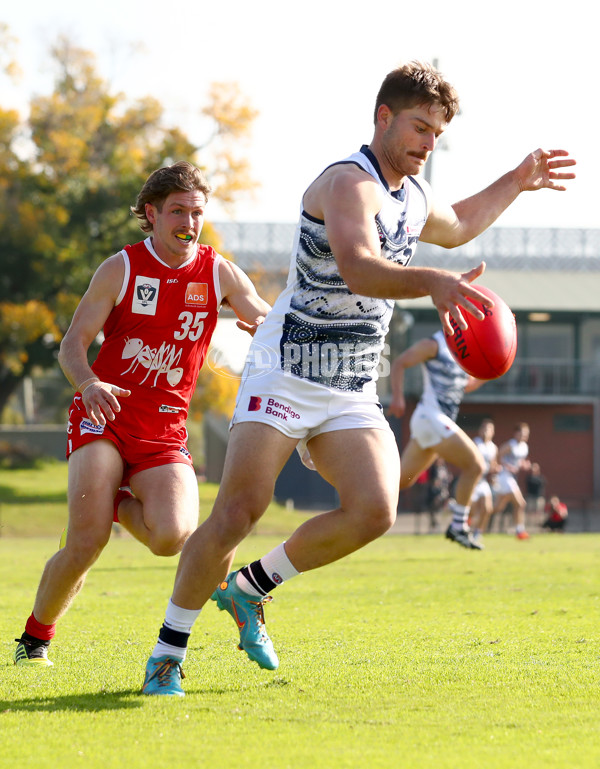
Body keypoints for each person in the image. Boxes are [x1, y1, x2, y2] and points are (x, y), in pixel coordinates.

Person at [140, 60, 575, 695]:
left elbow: (455, 227)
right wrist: (431, 282)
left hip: (348, 381)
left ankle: (249, 590)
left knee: (376, 509)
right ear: (383, 117)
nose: (427, 144)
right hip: (285, 368)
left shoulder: (414, 195)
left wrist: (517, 179)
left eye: (437, 134)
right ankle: (166, 654)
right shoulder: (349, 183)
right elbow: (359, 268)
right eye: (419, 127)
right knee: (238, 511)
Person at [13, 161, 270, 667]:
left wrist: (267, 329)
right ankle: (34, 641)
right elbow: (72, 346)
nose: (189, 223)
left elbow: (264, 314)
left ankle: (113, 501)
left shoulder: (217, 271)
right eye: (178, 211)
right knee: (86, 543)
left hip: (165, 432)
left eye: (196, 212)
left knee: (172, 537)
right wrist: (87, 384)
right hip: (103, 418)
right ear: (150, 214)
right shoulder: (121, 268)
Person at [388, 331, 486, 549]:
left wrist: (491, 372)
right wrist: (397, 396)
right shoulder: (434, 344)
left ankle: (358, 500)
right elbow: (399, 363)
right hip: (431, 418)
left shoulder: (464, 353)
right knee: (476, 466)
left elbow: (465, 385)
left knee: (401, 481)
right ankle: (458, 526)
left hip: (431, 424)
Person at [493, 422, 532, 539]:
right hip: (504, 476)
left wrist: (525, 465)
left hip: (511, 478)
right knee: (520, 503)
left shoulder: (524, 447)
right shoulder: (511, 445)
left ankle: (472, 516)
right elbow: (498, 456)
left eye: (526, 434)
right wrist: (506, 465)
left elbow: (519, 462)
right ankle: (520, 531)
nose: (524, 436)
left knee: (498, 507)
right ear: (516, 434)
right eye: (522, 434)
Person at [469, 418, 499, 545]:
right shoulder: (475, 443)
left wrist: (495, 470)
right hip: (472, 481)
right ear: (480, 430)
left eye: (489, 429)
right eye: (484, 428)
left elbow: (493, 463)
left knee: (487, 508)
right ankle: (465, 528)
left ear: (493, 432)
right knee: (471, 510)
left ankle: (477, 533)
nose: (486, 431)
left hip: (483, 481)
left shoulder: (493, 447)